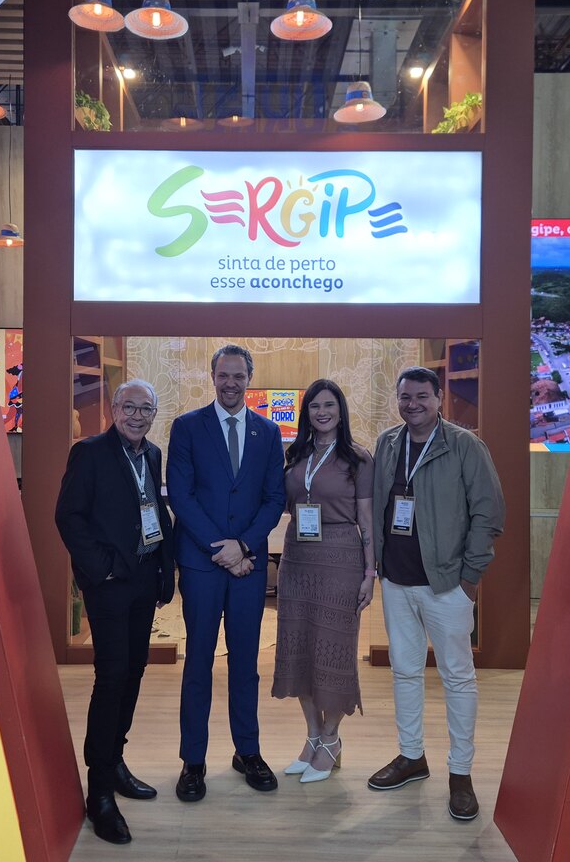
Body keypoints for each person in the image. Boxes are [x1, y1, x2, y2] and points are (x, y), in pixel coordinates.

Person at [367, 366, 504, 822]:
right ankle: (412, 757)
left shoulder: (465, 445)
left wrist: (470, 579)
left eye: (422, 396)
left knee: (457, 678)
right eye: (405, 397)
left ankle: (460, 773)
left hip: (447, 585)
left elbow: (488, 514)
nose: (412, 405)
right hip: (396, 582)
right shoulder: (388, 443)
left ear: (439, 398)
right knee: (405, 672)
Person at [55, 379, 175, 845]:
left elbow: (155, 512)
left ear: (154, 414)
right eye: (129, 407)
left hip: (144, 579)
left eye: (146, 409)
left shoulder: (152, 454)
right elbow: (68, 517)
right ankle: (99, 792)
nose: (137, 416)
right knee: (111, 678)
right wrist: (102, 568)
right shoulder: (89, 453)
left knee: (135, 671)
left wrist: (165, 570)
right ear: (113, 409)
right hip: (109, 585)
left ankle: (116, 761)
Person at [167, 343, 286, 801]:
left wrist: (245, 546)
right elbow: (181, 496)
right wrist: (225, 550)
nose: (231, 383)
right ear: (212, 376)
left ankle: (247, 751)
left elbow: (274, 498)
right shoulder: (187, 427)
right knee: (198, 661)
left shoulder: (268, 432)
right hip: (202, 564)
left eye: (239, 376)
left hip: (248, 565)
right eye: (224, 375)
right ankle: (193, 760)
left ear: (249, 379)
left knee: (245, 663)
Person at [271, 378, 375, 783]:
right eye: (315, 406)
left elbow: (366, 520)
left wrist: (369, 572)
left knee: (335, 650)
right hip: (298, 559)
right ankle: (313, 735)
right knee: (299, 647)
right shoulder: (296, 455)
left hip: (341, 559)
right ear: (307, 413)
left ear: (340, 411)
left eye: (329, 405)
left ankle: (332, 738)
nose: (322, 412)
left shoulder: (357, 458)